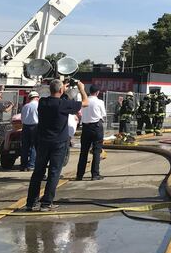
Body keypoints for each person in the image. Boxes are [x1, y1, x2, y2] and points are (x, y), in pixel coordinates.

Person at [25, 79, 88, 212]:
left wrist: (62, 88)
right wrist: (81, 89)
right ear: (61, 91)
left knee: (38, 172)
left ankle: (31, 202)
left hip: (42, 141)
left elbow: (55, 96)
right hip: (59, 142)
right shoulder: (63, 104)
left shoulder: (42, 102)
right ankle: (46, 203)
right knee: (54, 172)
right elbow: (85, 103)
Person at [76, 85, 107, 181]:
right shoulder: (99, 102)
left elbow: (80, 113)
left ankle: (79, 175)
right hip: (96, 126)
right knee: (96, 151)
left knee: (83, 152)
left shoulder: (84, 101)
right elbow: (103, 115)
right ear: (97, 92)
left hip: (85, 127)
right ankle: (95, 174)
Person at [20, 91, 40, 171]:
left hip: (25, 127)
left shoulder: (25, 106)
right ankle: (31, 164)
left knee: (25, 147)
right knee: (34, 146)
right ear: (37, 97)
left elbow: (22, 117)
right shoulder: (38, 106)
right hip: (35, 126)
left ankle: (23, 165)